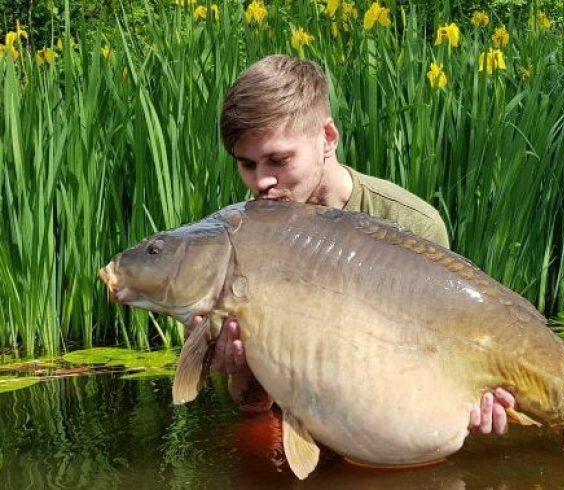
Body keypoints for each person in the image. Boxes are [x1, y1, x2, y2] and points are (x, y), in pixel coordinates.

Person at [188, 54, 515, 437]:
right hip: (293, 426)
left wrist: (473, 395)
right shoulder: (240, 239)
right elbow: (253, 405)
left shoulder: (412, 224)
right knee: (255, 441)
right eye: (247, 165)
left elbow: (426, 383)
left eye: (278, 160)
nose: (261, 181)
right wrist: (240, 366)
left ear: (328, 137)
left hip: (386, 425)